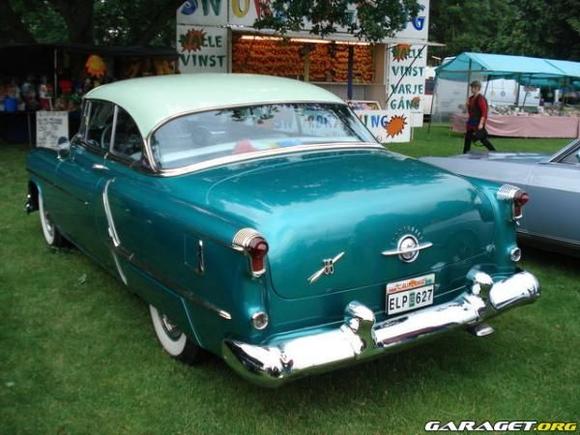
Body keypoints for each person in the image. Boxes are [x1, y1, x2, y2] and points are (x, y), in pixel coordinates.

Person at [463, 80, 496, 153]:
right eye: (471, 87)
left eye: (473, 87)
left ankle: (494, 152)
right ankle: (465, 153)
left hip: (478, 121)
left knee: (482, 139)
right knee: (468, 138)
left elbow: (484, 112)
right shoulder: (471, 98)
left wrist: (481, 123)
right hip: (472, 121)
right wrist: (467, 105)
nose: (471, 89)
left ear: (477, 88)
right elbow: (469, 111)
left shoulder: (480, 98)